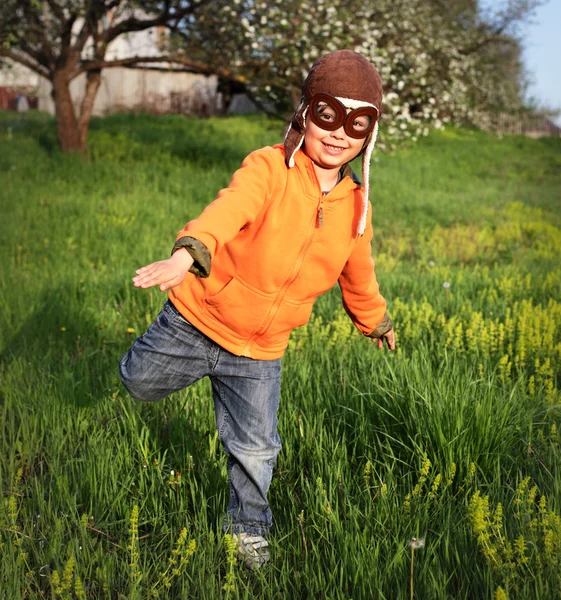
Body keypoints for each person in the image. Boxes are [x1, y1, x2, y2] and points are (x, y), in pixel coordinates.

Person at [119, 50, 396, 569]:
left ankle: (247, 532)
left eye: (355, 124)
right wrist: (189, 253)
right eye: (327, 116)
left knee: (256, 448)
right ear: (305, 114)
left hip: (260, 351)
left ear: (368, 135)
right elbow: (227, 209)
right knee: (137, 383)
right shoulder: (269, 167)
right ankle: (165, 351)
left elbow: (358, 271)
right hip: (198, 321)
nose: (338, 134)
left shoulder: (357, 205)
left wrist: (373, 319)